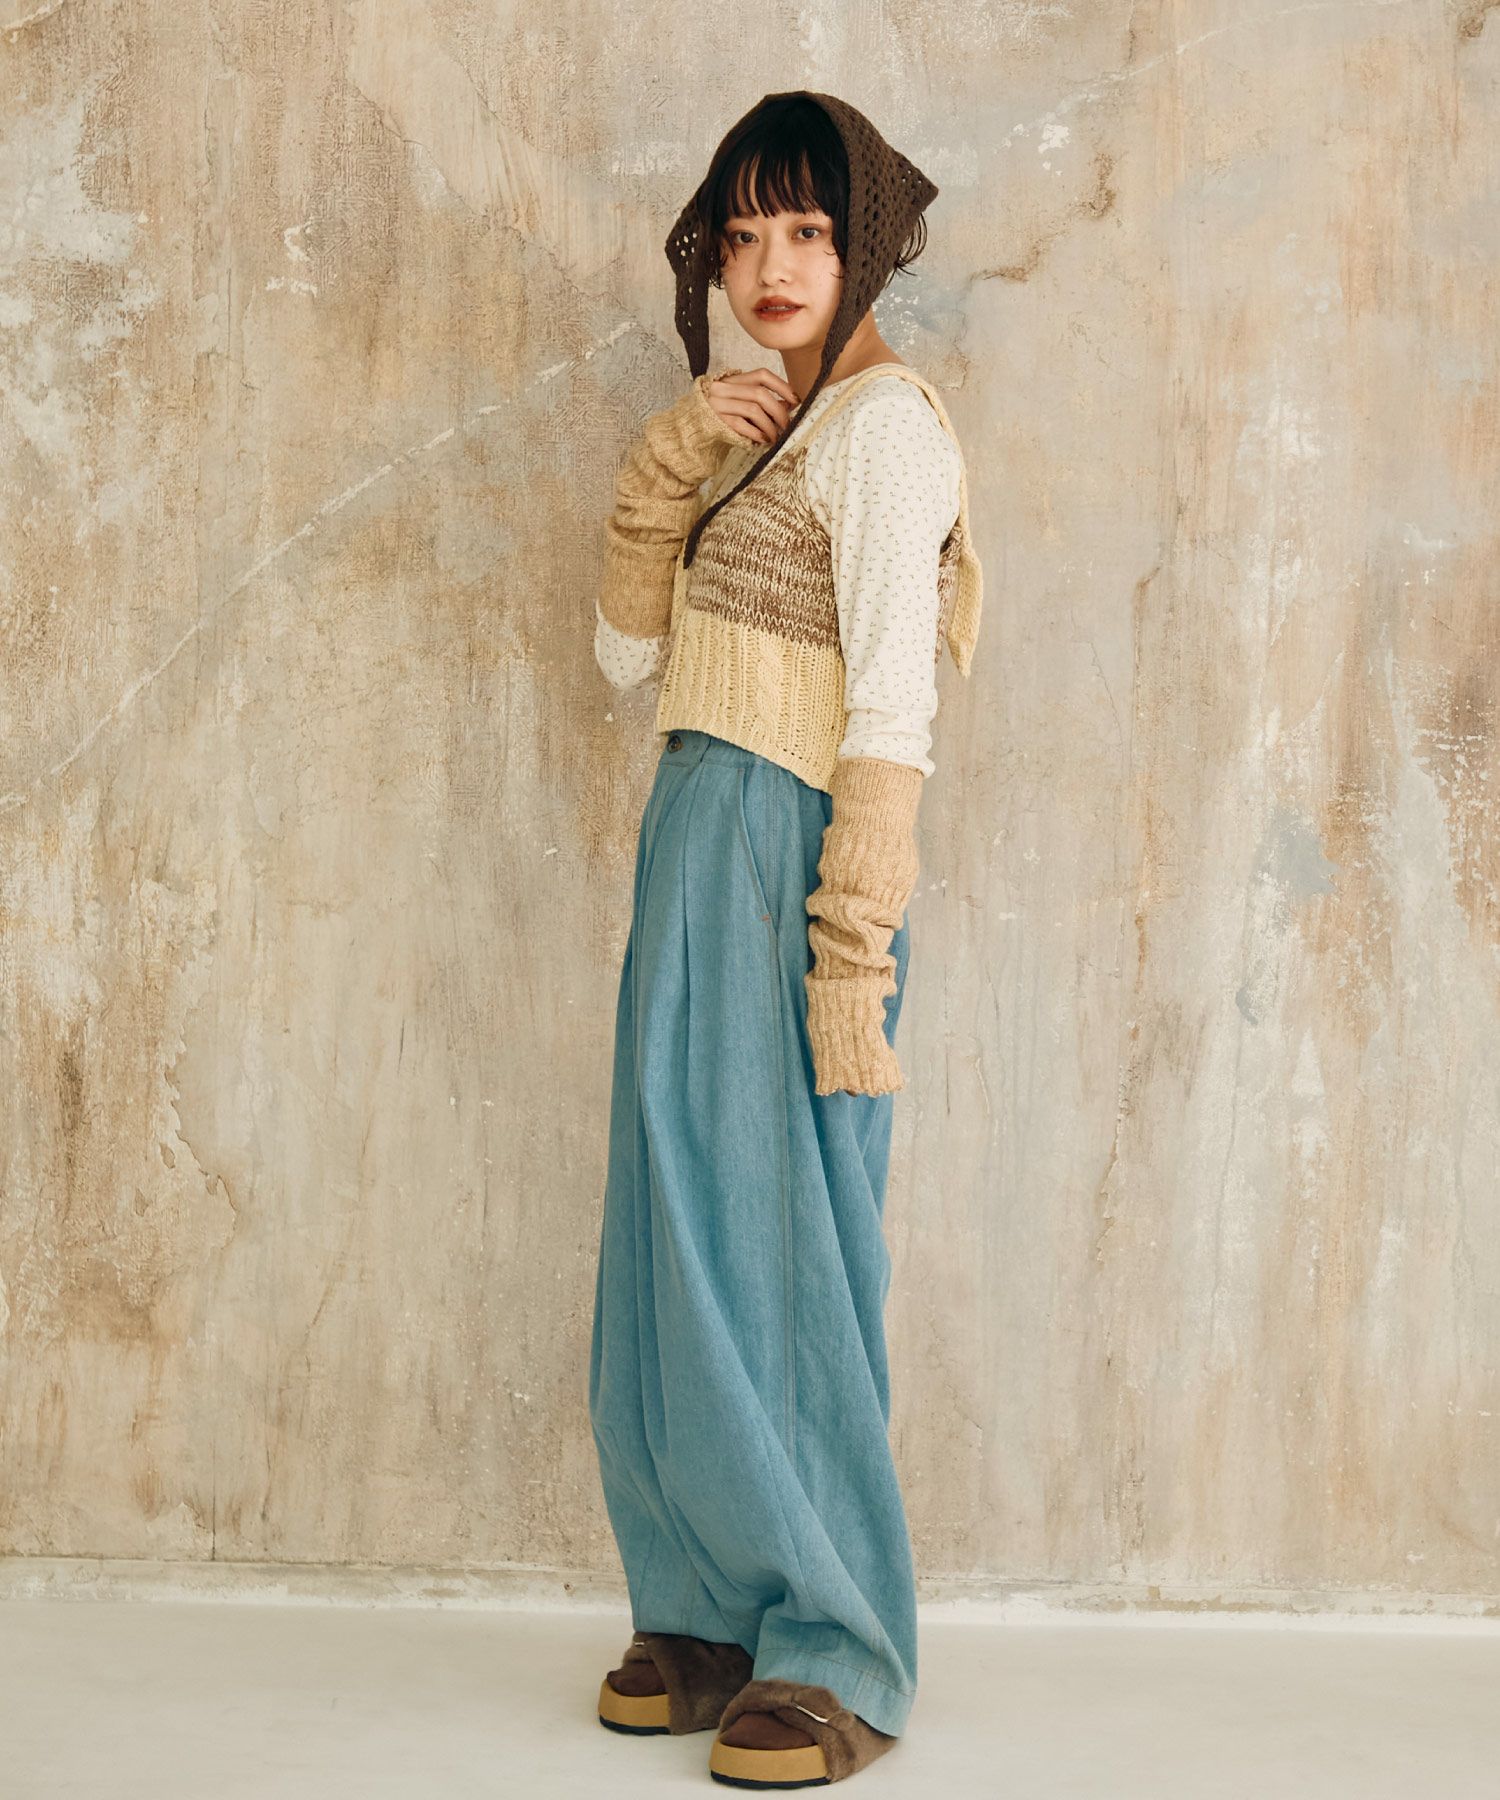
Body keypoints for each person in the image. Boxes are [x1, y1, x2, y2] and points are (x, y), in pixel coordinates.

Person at [586, 89, 983, 1789]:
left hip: (792, 859)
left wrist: (852, 949)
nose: (768, 265)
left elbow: (891, 706)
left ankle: (835, 1641)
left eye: (805, 229)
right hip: (690, 846)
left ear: (865, 238)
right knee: (674, 1240)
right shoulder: (756, 432)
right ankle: (702, 1609)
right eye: (742, 233)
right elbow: (626, 658)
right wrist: (670, 464)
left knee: (791, 1254)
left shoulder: (886, 431)